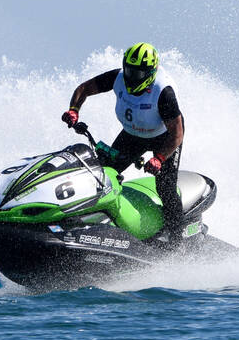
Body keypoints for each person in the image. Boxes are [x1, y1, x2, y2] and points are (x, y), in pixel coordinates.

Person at [62, 42, 186, 241]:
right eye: (129, 70)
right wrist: (74, 110)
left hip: (164, 139)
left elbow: (177, 134)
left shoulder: (163, 92)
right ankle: (88, 223)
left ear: (150, 73)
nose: (130, 76)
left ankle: (177, 240)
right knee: (102, 175)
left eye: (137, 73)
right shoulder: (118, 77)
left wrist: (160, 158)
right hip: (133, 136)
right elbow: (84, 88)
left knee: (165, 186)